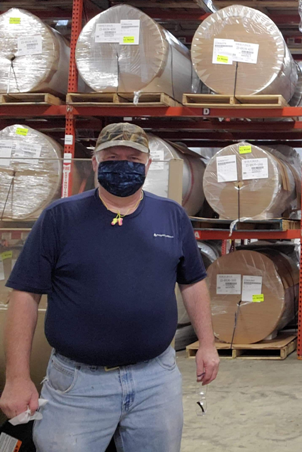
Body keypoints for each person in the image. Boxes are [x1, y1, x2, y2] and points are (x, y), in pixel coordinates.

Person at [0, 123, 220, 452]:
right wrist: (16, 378)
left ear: (147, 164)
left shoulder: (171, 216)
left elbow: (192, 283)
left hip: (156, 381)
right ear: (95, 163)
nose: (123, 163)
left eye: (133, 157)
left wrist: (207, 343)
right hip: (78, 384)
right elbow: (25, 294)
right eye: (112, 156)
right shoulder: (60, 218)